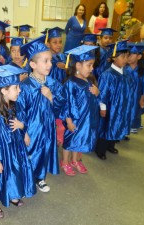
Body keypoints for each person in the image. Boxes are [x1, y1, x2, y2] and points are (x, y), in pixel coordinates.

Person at [0, 65, 36, 219]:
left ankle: (11, 194)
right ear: (3, 90)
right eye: (16, 87)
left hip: (15, 149)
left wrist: (22, 128)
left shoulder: (12, 107)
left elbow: (20, 123)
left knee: (14, 172)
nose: (19, 90)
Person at [17, 35, 65, 192]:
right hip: (32, 129)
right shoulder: (24, 86)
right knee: (30, 154)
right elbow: (19, 111)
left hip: (48, 128)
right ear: (32, 64)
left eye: (50, 60)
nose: (50, 64)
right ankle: (26, 179)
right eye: (45, 61)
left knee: (44, 152)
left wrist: (51, 97)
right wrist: (23, 132)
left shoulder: (53, 83)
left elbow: (61, 105)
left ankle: (40, 178)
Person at [60, 45, 100, 175]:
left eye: (92, 65)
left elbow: (93, 100)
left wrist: (97, 92)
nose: (92, 68)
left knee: (80, 140)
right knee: (69, 141)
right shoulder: (71, 83)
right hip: (75, 119)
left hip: (86, 119)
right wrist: (69, 121)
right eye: (89, 65)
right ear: (78, 66)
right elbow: (66, 104)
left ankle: (75, 160)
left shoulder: (89, 81)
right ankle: (65, 161)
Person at [95, 40, 133, 160]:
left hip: (121, 107)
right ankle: (100, 149)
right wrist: (103, 107)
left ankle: (111, 145)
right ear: (113, 58)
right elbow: (102, 93)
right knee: (106, 127)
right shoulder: (108, 74)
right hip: (110, 106)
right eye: (122, 56)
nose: (125, 59)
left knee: (117, 125)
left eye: (127, 56)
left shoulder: (126, 74)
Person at [125, 42, 144, 134]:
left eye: (131, 55)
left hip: (136, 96)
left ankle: (132, 126)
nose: (129, 57)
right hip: (125, 95)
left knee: (134, 111)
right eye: (128, 55)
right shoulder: (124, 69)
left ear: (139, 57)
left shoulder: (142, 70)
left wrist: (142, 99)